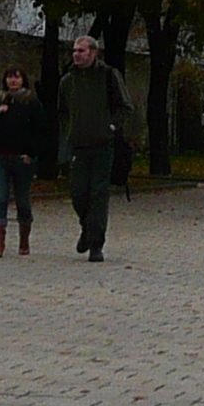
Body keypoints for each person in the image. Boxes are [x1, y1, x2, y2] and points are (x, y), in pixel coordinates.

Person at [58, 32, 131, 260]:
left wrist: (110, 127)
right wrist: (66, 138)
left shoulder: (108, 76)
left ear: (93, 52)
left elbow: (124, 107)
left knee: (98, 194)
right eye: (75, 51)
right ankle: (87, 230)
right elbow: (62, 113)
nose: (76, 55)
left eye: (81, 51)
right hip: (78, 146)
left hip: (102, 145)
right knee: (78, 193)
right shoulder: (68, 81)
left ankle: (96, 244)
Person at [0, 66, 42, 257]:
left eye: (17, 77)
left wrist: (31, 153)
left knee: (22, 199)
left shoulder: (31, 102)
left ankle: (24, 239)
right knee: (0, 197)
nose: (13, 81)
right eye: (10, 77)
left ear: (23, 80)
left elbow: (41, 129)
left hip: (21, 158)